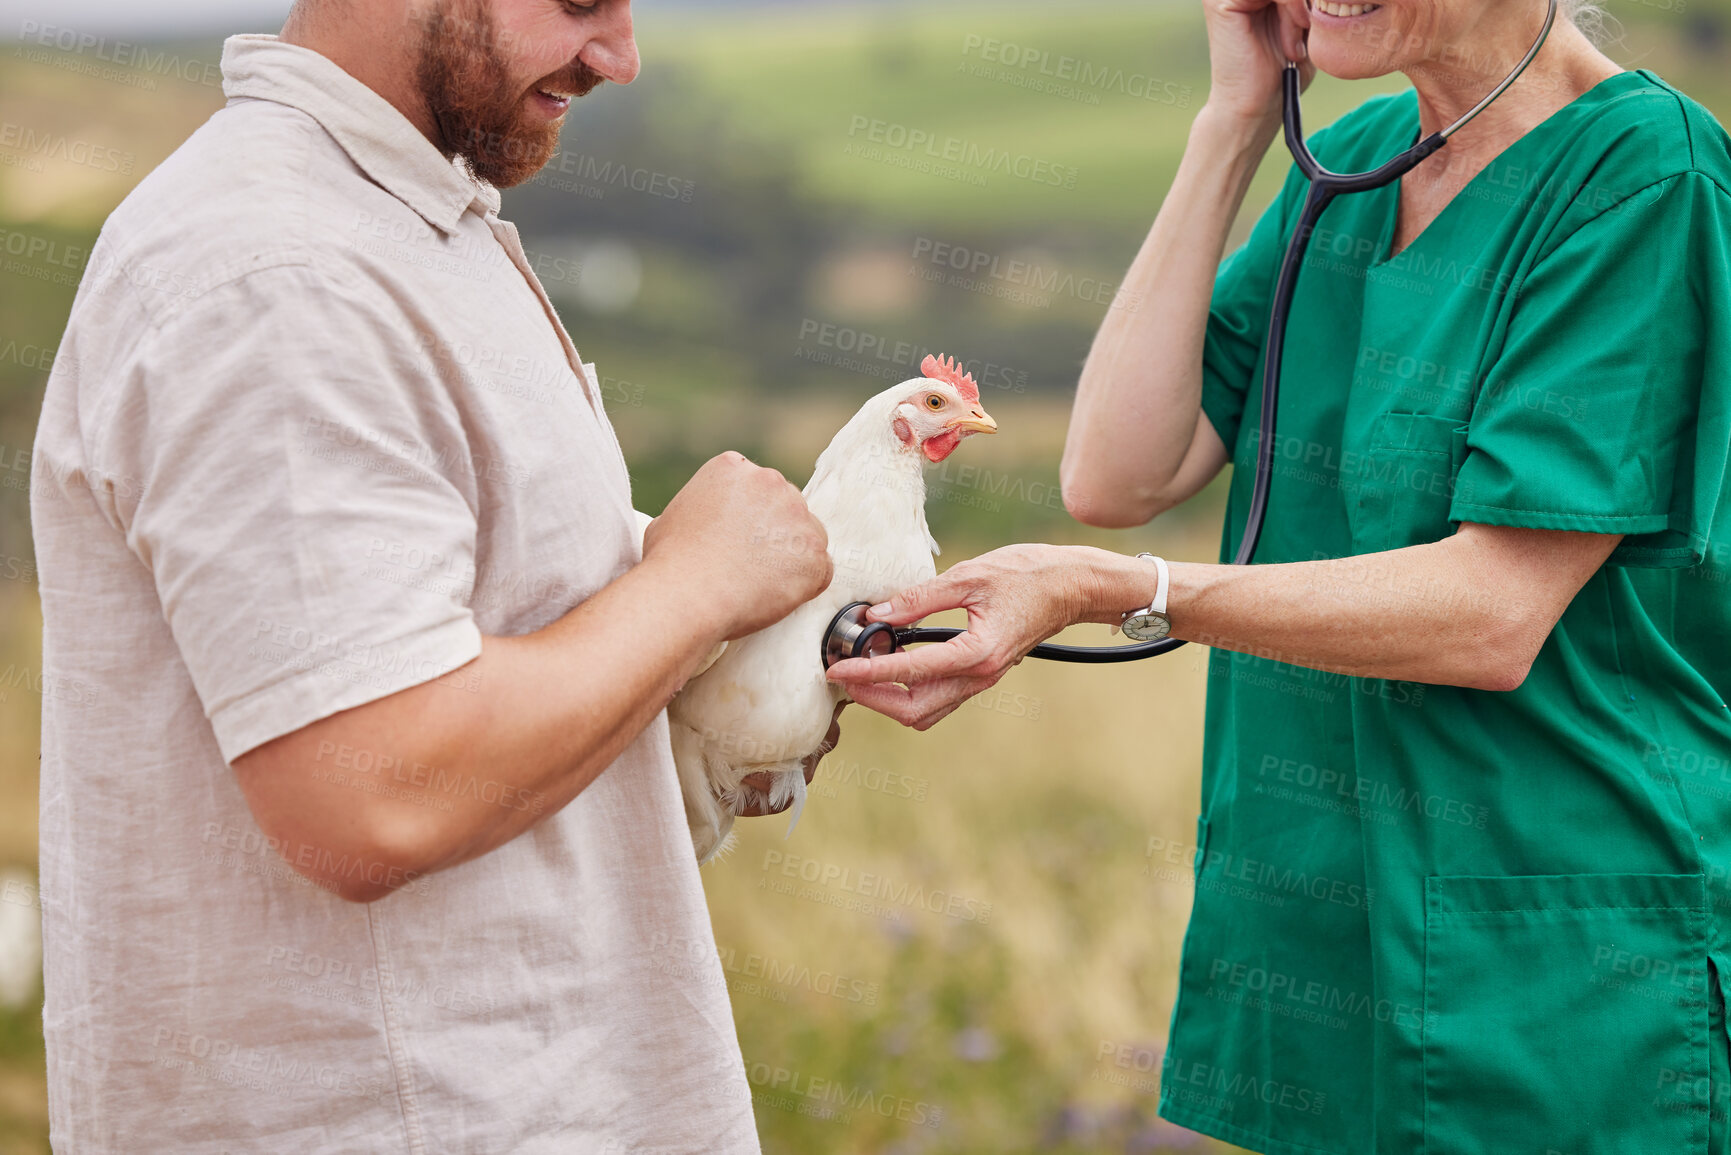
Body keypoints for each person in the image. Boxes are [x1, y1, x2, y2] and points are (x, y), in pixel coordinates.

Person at [828, 0, 1731, 1150]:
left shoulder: (1646, 179)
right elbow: (1118, 469)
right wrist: (1233, 122)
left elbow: (1491, 615)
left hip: (1553, 968)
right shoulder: (1349, 165)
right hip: (1320, 943)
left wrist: (1128, 591)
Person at [31, 0, 839, 1150]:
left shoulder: (401, 221)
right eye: (577, 3)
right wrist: (698, 585)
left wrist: (764, 671)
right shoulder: (275, 277)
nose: (620, 56)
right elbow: (371, 796)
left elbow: (499, 635)